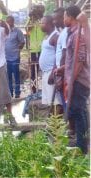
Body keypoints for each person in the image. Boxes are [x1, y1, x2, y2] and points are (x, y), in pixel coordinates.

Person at [64, 6, 89, 154]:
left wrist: (71, 82)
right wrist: (63, 68)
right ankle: (82, 143)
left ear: (70, 17)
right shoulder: (73, 33)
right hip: (76, 79)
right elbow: (73, 58)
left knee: (78, 112)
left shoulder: (77, 35)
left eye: (65, 16)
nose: (63, 19)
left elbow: (79, 61)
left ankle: (82, 147)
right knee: (79, 111)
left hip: (79, 80)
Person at [39, 16, 62, 112]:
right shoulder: (47, 36)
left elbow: (58, 55)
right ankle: (53, 123)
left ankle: (57, 125)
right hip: (45, 72)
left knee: (56, 102)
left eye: (43, 23)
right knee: (50, 101)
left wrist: (53, 72)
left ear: (49, 24)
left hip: (51, 72)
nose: (41, 25)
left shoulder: (56, 36)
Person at [26, 4, 45, 93]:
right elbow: (27, 30)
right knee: (34, 69)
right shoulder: (30, 21)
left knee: (44, 68)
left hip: (43, 48)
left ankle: (45, 87)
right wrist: (31, 20)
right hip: (33, 49)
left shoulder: (43, 20)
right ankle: (34, 88)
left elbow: (45, 29)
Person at [5, 15, 25, 98]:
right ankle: (10, 92)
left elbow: (22, 42)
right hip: (6, 58)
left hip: (15, 58)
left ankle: (17, 92)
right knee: (8, 76)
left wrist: (17, 49)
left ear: (13, 22)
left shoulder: (17, 31)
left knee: (16, 75)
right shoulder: (4, 32)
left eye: (10, 21)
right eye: (7, 21)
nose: (9, 23)